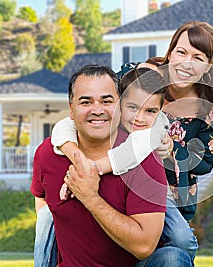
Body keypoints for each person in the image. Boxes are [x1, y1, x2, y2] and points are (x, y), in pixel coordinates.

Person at [50, 20, 213, 262]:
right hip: (117, 174)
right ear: (170, 51)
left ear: (208, 66)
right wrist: (80, 158)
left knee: (182, 241)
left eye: (198, 58)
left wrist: (172, 151)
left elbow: (205, 163)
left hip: (167, 192)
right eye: (181, 51)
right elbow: (93, 109)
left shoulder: (210, 111)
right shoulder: (139, 76)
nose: (186, 63)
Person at [31, 65, 191, 266]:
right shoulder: (49, 152)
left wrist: (89, 195)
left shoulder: (144, 154)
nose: (97, 110)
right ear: (71, 109)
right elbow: (42, 198)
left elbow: (143, 247)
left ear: (119, 105)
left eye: (106, 101)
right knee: (46, 218)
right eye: (85, 102)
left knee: (175, 255)